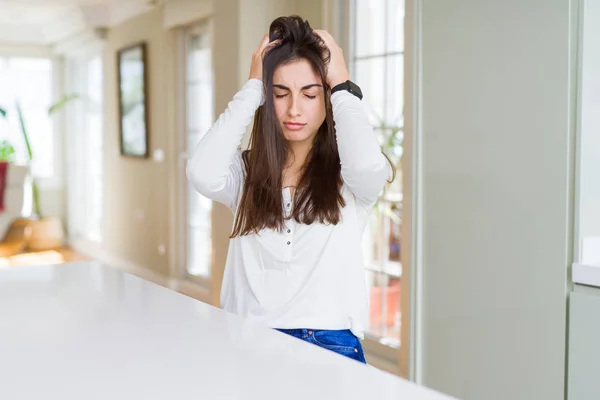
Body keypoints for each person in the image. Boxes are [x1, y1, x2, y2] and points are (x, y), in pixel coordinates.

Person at [186, 15, 394, 364]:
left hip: (330, 344)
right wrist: (253, 86)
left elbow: (368, 168)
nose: (294, 109)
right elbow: (201, 171)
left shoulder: (351, 176)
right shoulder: (245, 173)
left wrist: (342, 84)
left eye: (310, 94)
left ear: (326, 99)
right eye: (280, 94)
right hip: (249, 341)